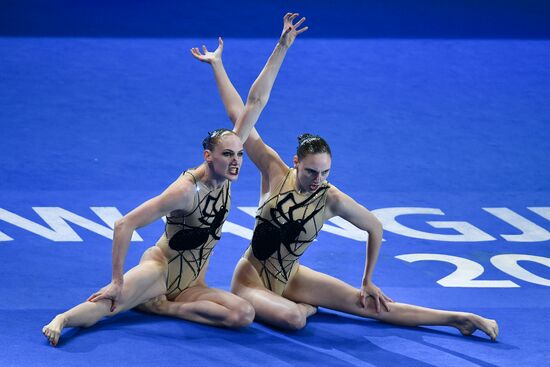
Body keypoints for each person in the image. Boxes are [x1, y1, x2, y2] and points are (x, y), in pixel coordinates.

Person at [188, 26, 499, 341]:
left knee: (366, 303)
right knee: (294, 317)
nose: (318, 180)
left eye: (325, 173)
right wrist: (222, 64)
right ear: (297, 162)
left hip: (290, 276)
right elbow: (242, 111)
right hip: (249, 280)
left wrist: (368, 279)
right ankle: (309, 307)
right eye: (311, 172)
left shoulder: (331, 198)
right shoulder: (273, 170)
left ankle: (458, 318)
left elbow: (375, 227)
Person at [41, 12, 308, 347]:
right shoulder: (185, 190)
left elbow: (252, 103)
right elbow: (124, 224)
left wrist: (272, 49)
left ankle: (162, 309)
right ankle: (66, 317)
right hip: (161, 271)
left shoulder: (226, 171)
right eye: (228, 155)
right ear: (208, 156)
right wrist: (115, 280)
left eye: (239, 155)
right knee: (113, 303)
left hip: (193, 282)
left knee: (243, 314)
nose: (237, 161)